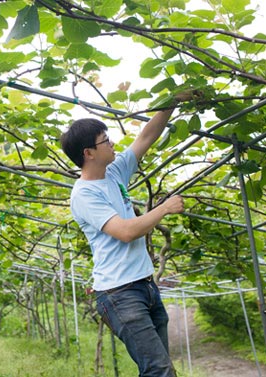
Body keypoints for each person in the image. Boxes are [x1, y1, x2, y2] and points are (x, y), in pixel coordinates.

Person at [60, 94, 191, 377]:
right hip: (120, 294)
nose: (112, 144)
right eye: (105, 140)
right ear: (88, 153)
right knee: (159, 369)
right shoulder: (84, 194)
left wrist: (173, 101)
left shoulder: (114, 172)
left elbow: (146, 137)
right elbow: (126, 232)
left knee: (162, 369)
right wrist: (165, 208)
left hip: (145, 287)